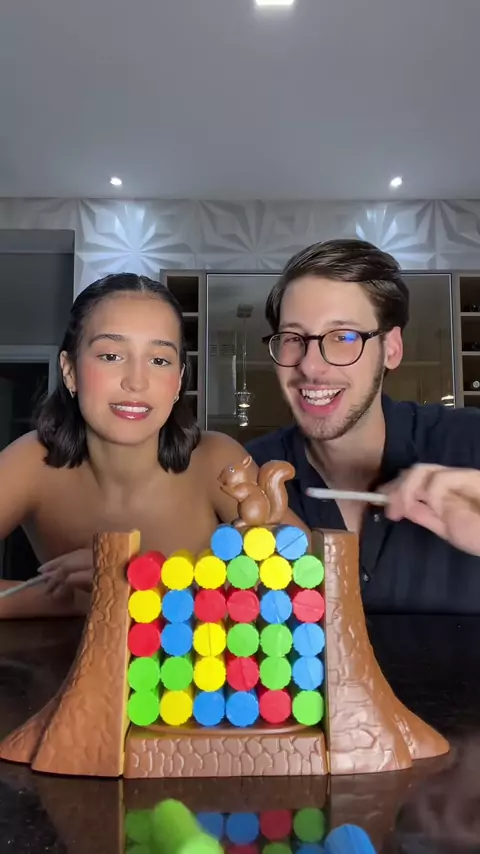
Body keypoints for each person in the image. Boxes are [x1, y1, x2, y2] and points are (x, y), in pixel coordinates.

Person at [0, 273, 305, 620]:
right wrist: (67, 599)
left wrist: (138, 585)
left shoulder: (217, 460)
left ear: (178, 382)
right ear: (70, 371)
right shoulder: (32, 460)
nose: (136, 382)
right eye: (111, 356)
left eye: (159, 360)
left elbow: (315, 579)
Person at [246, 238, 480, 614]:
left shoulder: (469, 444)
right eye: (293, 338)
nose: (310, 366)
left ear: (391, 348)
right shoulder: (250, 476)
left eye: (343, 337)